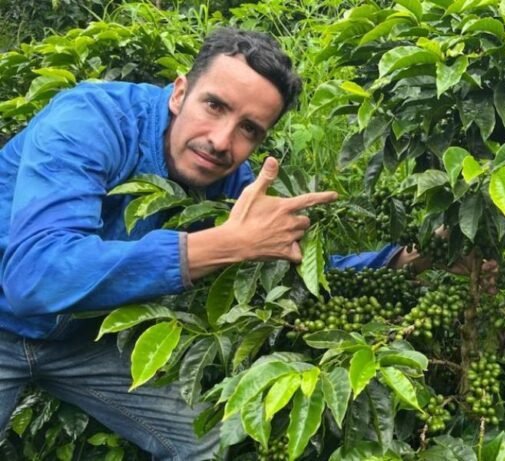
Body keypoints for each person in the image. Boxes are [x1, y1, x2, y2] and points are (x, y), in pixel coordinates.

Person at [0, 27, 407, 460]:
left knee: (216, 441)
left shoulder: (231, 181)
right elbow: (34, 276)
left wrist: (400, 261)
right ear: (179, 94)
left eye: (247, 129)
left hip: (85, 340)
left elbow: (288, 261)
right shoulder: (91, 121)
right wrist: (222, 245)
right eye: (214, 106)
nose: (220, 140)